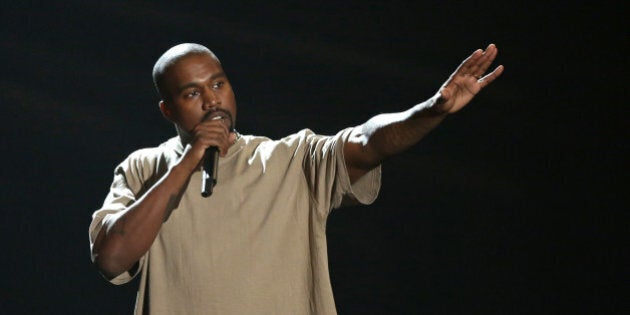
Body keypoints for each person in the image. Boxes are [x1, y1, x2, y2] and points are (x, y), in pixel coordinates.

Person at [89, 42, 503, 314]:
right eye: (193, 93)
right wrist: (187, 162)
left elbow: (366, 141)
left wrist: (430, 110)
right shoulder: (143, 169)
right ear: (168, 110)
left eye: (219, 84)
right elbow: (111, 258)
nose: (213, 100)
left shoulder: (289, 160)